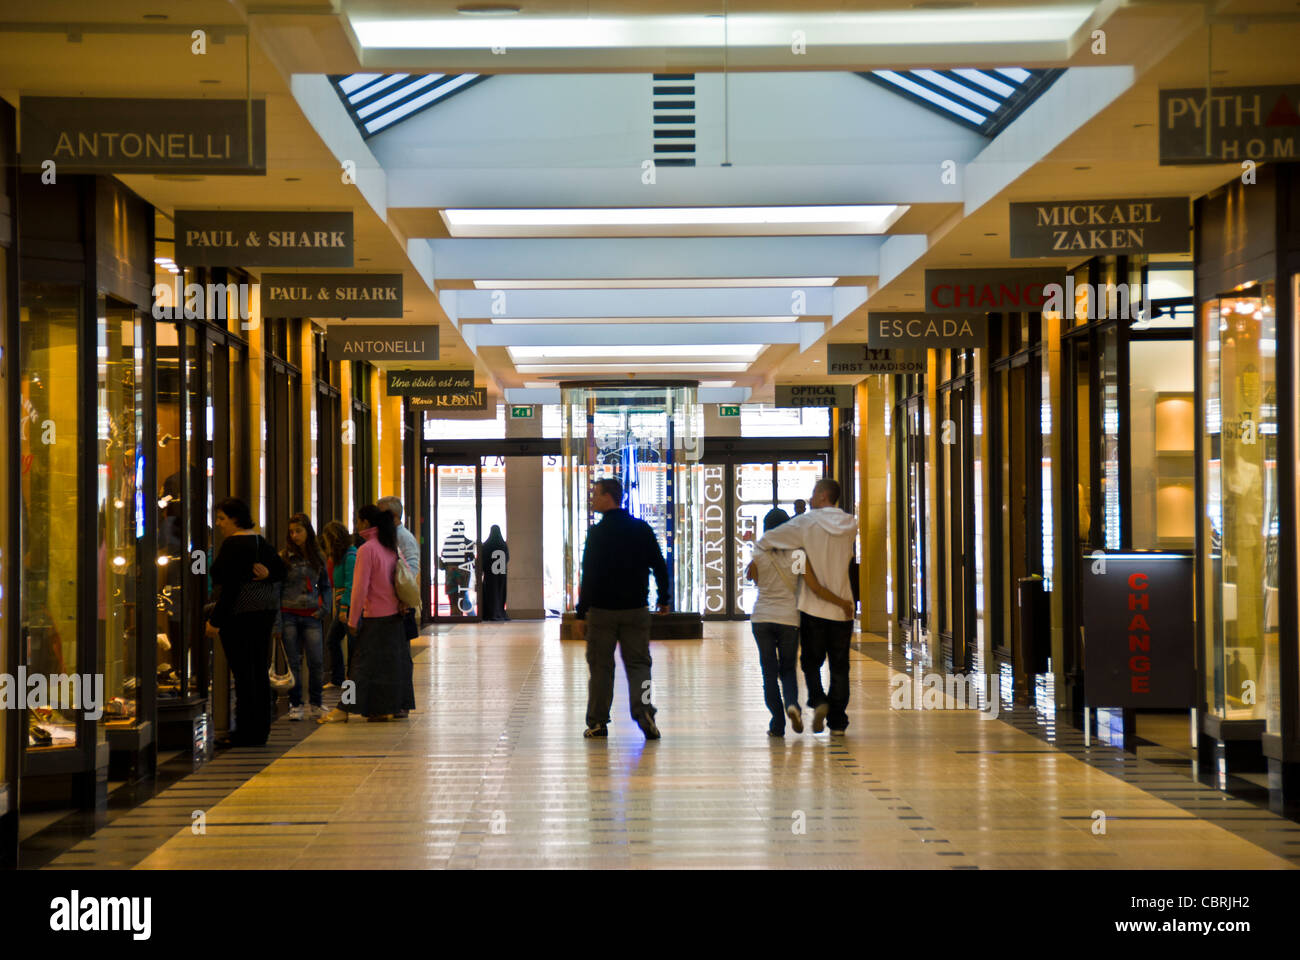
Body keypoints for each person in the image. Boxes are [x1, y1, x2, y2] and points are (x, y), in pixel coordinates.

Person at [751, 477, 857, 735]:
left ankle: (816, 701)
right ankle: (838, 721)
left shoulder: (804, 523)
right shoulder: (851, 524)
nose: (810, 498)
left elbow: (766, 541)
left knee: (810, 664)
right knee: (840, 667)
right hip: (842, 608)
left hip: (811, 610)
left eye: (813, 493)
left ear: (821, 496)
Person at [574, 477, 670, 740]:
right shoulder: (641, 529)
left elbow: (589, 575)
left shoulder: (597, 533)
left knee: (601, 668)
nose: (593, 498)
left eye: (596, 493)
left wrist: (582, 613)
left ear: (609, 497)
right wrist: (664, 598)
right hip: (636, 609)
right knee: (640, 665)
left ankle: (597, 723)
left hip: (603, 612)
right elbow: (659, 565)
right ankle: (645, 711)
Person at [205, 497, 287, 747]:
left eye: (222, 519)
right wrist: (269, 574)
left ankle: (244, 732)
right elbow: (281, 570)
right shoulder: (260, 541)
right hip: (263, 614)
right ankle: (259, 730)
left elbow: (230, 587)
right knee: (258, 672)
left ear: (235, 519)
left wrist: (215, 621)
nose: (218, 524)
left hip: (239, 616)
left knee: (243, 674)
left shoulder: (233, 545)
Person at [318, 504, 408, 723]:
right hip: (394, 617)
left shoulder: (367, 549)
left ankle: (343, 709)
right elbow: (406, 576)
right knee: (390, 666)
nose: (356, 525)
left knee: (357, 666)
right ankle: (388, 708)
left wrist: (352, 618)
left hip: (374, 618)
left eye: (357, 520)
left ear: (366, 523)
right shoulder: (390, 546)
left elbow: (359, 588)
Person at [745, 508, 802, 737]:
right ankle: (792, 705)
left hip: (762, 618)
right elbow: (803, 583)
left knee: (768, 672)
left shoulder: (759, 550)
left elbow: (754, 579)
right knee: (787, 668)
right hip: (789, 617)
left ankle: (777, 722)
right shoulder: (797, 552)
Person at [278, 513, 330, 720]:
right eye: (292, 532)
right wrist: (276, 622)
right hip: (288, 613)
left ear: (308, 531)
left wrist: (325, 608)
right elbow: (277, 589)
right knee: (293, 662)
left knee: (316, 661)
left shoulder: (318, 556)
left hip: (312, 614)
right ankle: (296, 703)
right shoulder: (284, 557)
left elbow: (325, 585)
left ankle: (316, 702)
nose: (295, 535)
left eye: (298, 531)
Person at [379, 495, 419, 715]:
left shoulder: (403, 537)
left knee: (402, 655)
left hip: (400, 605)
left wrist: (403, 597)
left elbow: (411, 567)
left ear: (393, 516)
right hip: (392, 604)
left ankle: (402, 702)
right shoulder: (387, 537)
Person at [320, 521, 359, 688]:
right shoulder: (340, 557)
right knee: (332, 639)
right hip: (342, 606)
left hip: (348, 608)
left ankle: (351, 684)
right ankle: (338, 679)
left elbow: (351, 584)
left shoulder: (350, 556)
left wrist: (343, 608)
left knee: (352, 645)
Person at [440, 519, 475, 616]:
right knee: (461, 595)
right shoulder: (468, 542)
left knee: (452, 595)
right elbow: (471, 558)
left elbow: (444, 555)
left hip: (450, 571)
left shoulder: (448, 541)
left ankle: (453, 614)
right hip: (463, 571)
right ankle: (459, 615)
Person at [480, 525, 509, 621]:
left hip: (490, 575)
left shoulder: (486, 545)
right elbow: (507, 559)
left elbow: (482, 560)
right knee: (500, 594)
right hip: (501, 575)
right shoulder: (503, 545)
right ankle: (500, 612)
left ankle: (490, 613)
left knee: (490, 594)